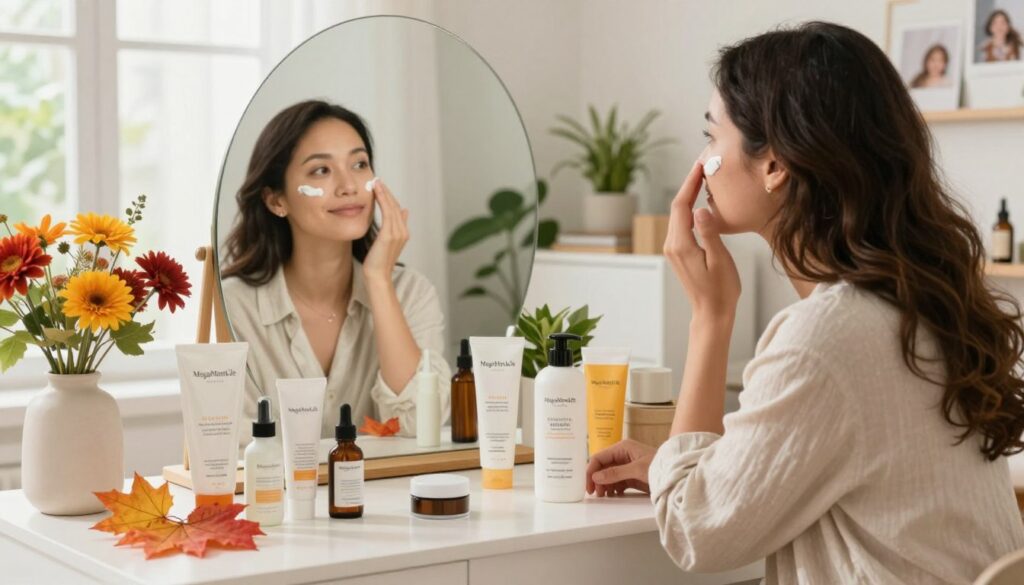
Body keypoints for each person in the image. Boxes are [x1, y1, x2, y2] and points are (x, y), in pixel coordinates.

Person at [586, 22, 1024, 583]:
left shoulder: (827, 339)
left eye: (711, 136)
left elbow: (693, 531)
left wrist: (711, 318)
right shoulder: (920, 307)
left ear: (774, 164)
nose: (702, 161)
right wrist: (696, 467)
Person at [221, 100, 450, 441]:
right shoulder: (234, 308)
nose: (349, 186)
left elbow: (420, 428)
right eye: (321, 171)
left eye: (359, 164)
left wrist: (378, 281)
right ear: (276, 201)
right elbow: (237, 448)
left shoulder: (411, 293)